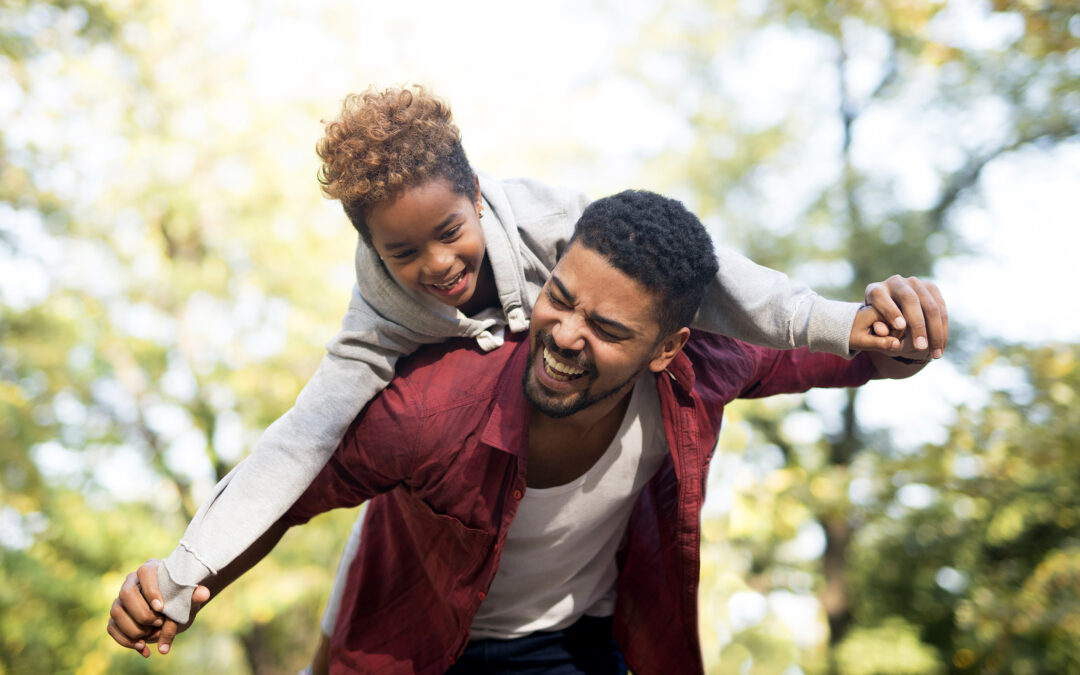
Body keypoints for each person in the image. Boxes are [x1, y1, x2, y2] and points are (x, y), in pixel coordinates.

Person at [107, 85, 945, 658]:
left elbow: (746, 302)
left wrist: (872, 333)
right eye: (404, 251)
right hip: (432, 628)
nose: (439, 264)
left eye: (450, 232)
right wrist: (185, 573)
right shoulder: (404, 379)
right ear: (370, 248)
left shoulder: (564, 231)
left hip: (575, 641)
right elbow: (299, 461)